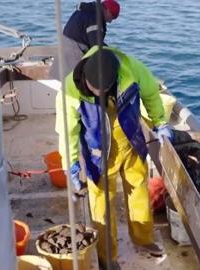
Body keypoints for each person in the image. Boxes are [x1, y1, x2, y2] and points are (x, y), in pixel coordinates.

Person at [55, 46, 173, 269]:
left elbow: (150, 93)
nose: (99, 93)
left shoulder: (131, 69)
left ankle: (143, 239)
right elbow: (67, 130)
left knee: (138, 189)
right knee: (101, 202)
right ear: (85, 78)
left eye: (104, 89)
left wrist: (160, 122)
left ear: (114, 78)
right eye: (93, 89)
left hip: (130, 140)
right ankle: (107, 256)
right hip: (98, 151)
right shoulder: (69, 89)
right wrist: (69, 164)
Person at [50, 0, 120, 80]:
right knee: (75, 82)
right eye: (112, 17)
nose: (110, 21)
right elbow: (96, 45)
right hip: (73, 53)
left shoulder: (87, 10)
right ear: (107, 10)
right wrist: (111, 55)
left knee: (64, 82)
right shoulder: (95, 19)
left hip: (63, 49)